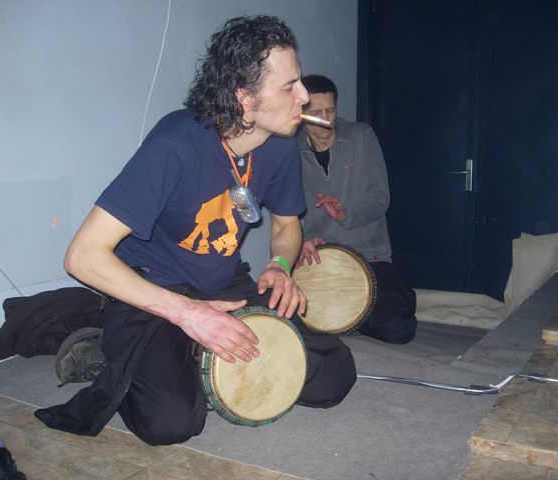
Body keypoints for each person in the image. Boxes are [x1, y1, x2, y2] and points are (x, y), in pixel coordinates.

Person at [34, 17, 356, 446]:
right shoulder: (176, 143)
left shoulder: (280, 143)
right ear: (245, 98)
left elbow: (286, 225)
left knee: (334, 375)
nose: (304, 97)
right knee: (172, 423)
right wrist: (189, 314)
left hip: (223, 282)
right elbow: (82, 257)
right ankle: (117, 347)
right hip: (154, 289)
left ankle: (190, 351)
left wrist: (280, 265)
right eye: (289, 86)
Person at [296, 74, 417, 344]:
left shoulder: (361, 136)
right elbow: (286, 213)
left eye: (330, 110)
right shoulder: (291, 149)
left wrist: (346, 214)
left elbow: (381, 198)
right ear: (300, 115)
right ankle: (354, 317)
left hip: (368, 257)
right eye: (316, 113)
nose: (326, 119)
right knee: (293, 321)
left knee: (399, 330)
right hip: (322, 259)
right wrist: (302, 241)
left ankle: (388, 299)